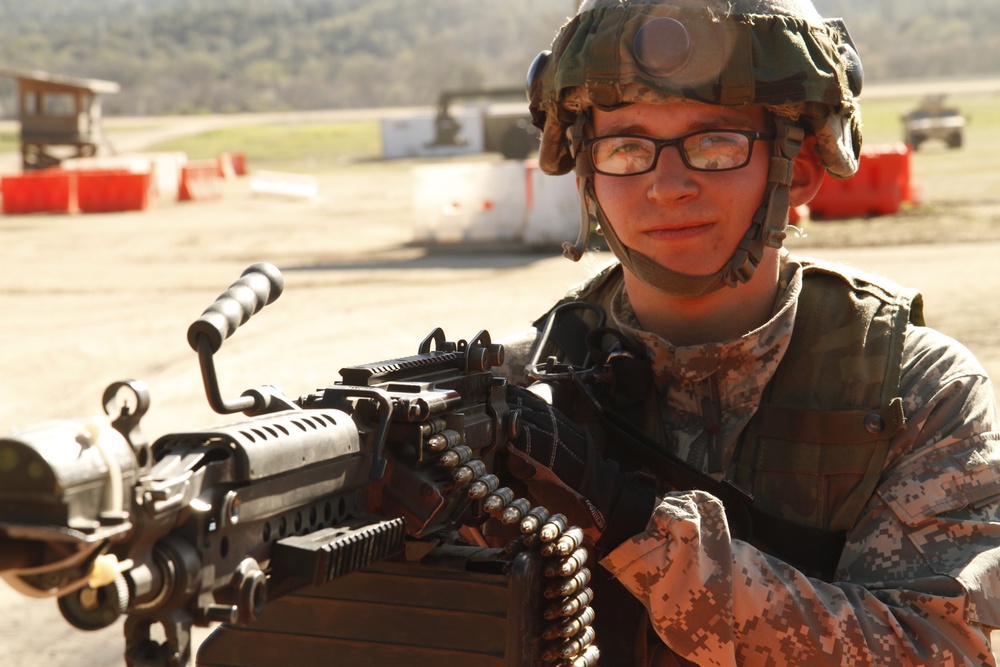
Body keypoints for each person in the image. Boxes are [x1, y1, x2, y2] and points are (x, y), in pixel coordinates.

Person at [495, 0, 1000, 664]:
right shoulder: (523, 397)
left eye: (714, 143)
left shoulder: (911, 389)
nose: (667, 184)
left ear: (801, 171)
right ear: (589, 178)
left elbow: (935, 649)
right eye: (626, 147)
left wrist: (632, 525)